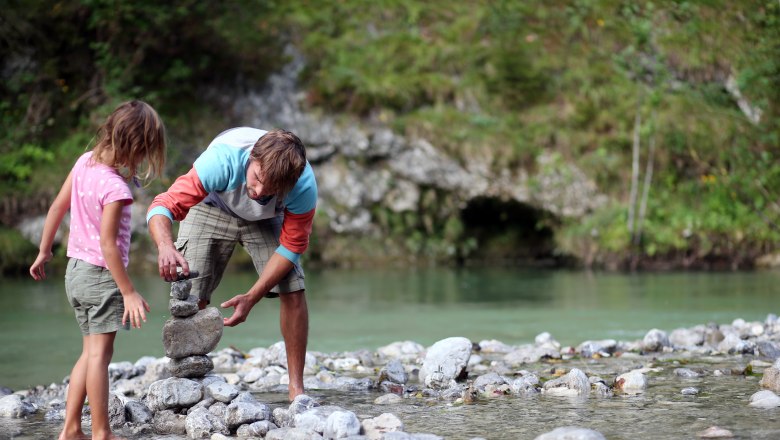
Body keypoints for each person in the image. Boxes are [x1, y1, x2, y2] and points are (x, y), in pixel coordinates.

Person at [146, 127, 317, 401]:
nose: (259, 191)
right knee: (192, 299)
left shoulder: (302, 185)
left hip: (266, 221)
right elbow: (162, 205)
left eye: (270, 189)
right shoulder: (221, 161)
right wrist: (165, 246)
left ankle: (297, 389)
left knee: (293, 290)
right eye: (257, 178)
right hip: (211, 207)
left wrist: (253, 296)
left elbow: (292, 246)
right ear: (252, 158)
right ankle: (190, 386)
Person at [29, 100, 167, 440]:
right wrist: (128, 290)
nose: (141, 162)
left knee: (88, 353)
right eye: (143, 153)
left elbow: (58, 207)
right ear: (134, 148)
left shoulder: (82, 163)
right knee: (100, 358)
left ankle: (71, 428)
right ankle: (101, 432)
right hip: (102, 278)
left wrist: (45, 250)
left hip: (74, 273)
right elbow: (108, 246)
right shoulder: (116, 189)